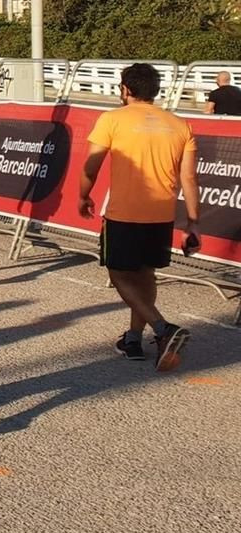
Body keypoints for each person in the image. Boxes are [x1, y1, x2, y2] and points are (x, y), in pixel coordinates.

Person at [78, 62, 200, 373]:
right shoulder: (179, 124)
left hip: (124, 212)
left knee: (118, 273)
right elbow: (189, 178)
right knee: (146, 275)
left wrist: (83, 195)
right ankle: (133, 338)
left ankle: (162, 329)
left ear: (126, 89)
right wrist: (193, 223)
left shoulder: (112, 119)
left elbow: (91, 165)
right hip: (161, 213)